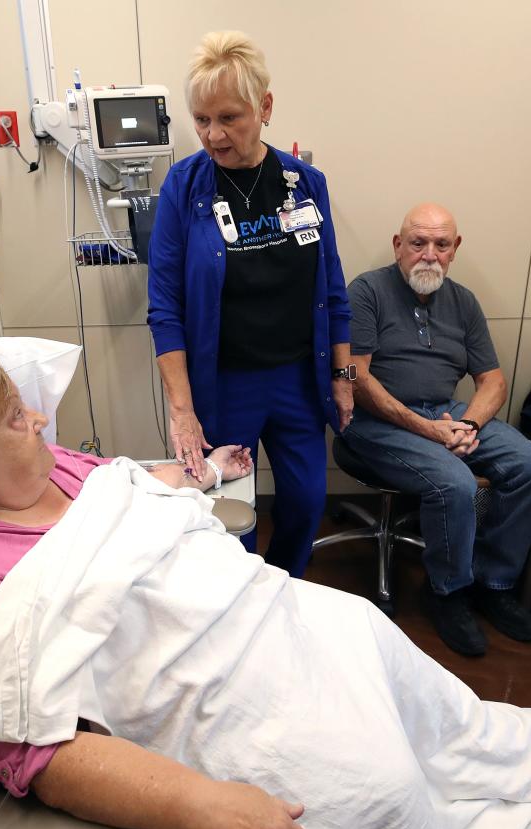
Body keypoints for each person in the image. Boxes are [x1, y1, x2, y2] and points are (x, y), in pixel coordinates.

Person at [0, 354, 531, 829]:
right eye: (17, 421)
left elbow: (131, 486)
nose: (42, 423)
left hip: (279, 612)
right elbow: (37, 754)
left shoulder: (61, 473)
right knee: (378, 784)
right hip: (216, 684)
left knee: (441, 712)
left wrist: (202, 472)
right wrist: (201, 804)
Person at [147, 30, 352, 577]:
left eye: (229, 118)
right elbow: (164, 307)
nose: (213, 135)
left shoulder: (304, 183)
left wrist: (342, 372)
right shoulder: (183, 187)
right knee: (229, 514)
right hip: (225, 382)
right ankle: (236, 605)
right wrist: (183, 411)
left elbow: (331, 285)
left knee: (308, 500)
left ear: (264, 107)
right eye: (201, 119)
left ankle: (283, 589)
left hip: (295, 380)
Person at [343, 203, 531, 658]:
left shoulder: (463, 301)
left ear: (455, 249)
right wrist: (429, 431)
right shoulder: (367, 291)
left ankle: (494, 583)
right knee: (455, 483)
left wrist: (468, 424)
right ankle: (449, 592)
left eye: (441, 244)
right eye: (418, 243)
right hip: (376, 421)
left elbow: (492, 381)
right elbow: (356, 379)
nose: (429, 255)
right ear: (399, 245)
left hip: (447, 411)